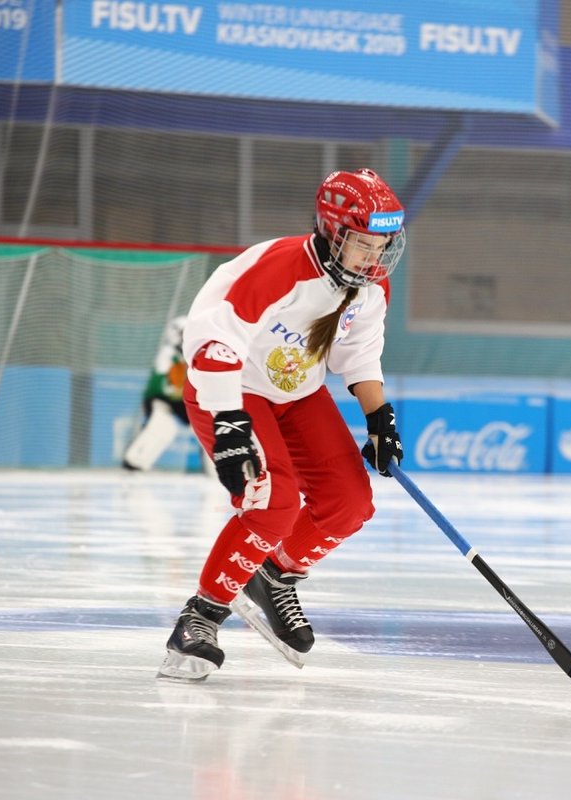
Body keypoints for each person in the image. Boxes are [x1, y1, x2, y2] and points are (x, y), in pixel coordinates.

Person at [157, 168, 407, 681]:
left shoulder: (369, 285)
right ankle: (199, 618)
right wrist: (229, 422)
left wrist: (378, 417)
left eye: (384, 244)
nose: (375, 257)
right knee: (272, 502)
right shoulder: (279, 269)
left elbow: (358, 352)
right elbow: (213, 342)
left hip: (295, 393)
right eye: (364, 243)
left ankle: (273, 576)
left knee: (349, 503)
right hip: (229, 389)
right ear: (333, 231)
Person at [122, 316, 217, 477]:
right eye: (184, 334)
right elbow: (165, 376)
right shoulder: (168, 353)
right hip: (161, 399)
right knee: (163, 427)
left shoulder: (196, 353)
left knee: (206, 428)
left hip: (183, 402)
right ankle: (134, 462)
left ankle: (215, 469)